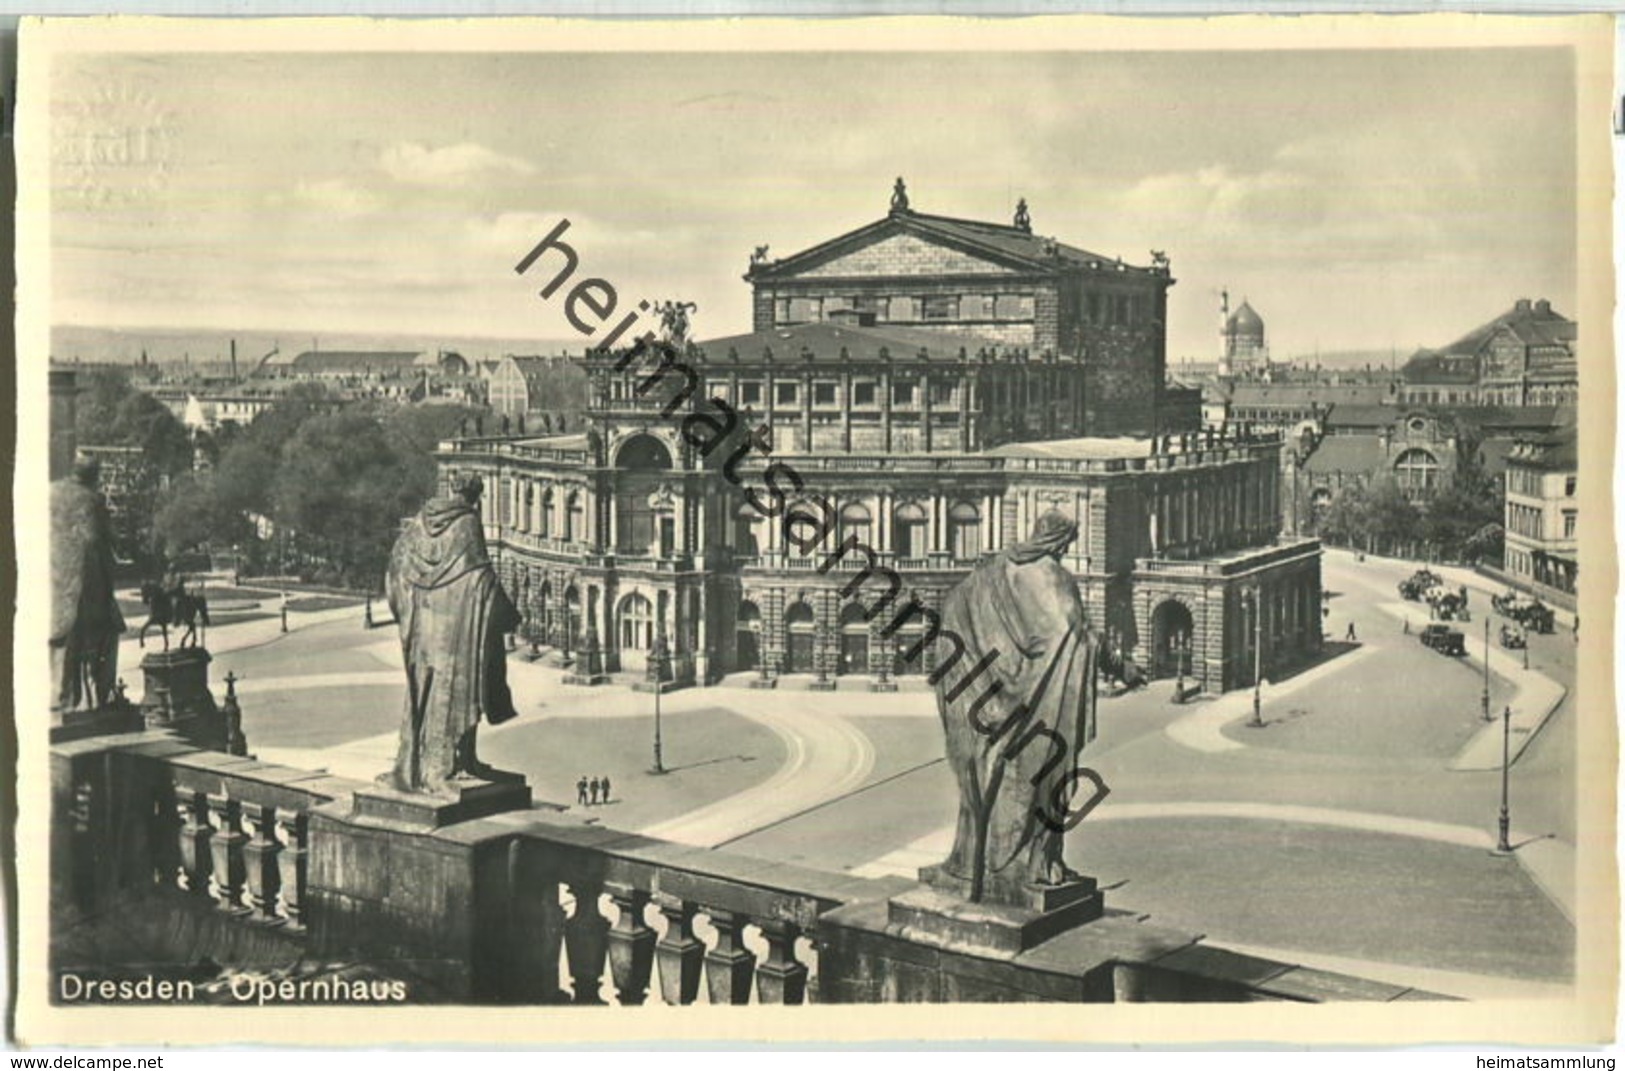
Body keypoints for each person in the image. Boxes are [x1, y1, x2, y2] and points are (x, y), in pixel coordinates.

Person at [928, 509, 1100, 905]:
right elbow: (1074, 634)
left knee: (986, 778)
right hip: (1044, 703)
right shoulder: (1054, 578)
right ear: (1060, 541)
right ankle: (1034, 864)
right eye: (1068, 541)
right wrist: (1113, 662)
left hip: (992, 699)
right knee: (1047, 778)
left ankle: (977, 862)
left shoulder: (992, 572)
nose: (1069, 548)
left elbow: (957, 610)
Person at [382, 474, 522, 794]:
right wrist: (507, 612)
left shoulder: (421, 520)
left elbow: (395, 567)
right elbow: (480, 574)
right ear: (475, 497)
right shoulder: (468, 523)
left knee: (426, 697)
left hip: (423, 628)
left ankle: (440, 763)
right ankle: (448, 768)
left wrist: (406, 611)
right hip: (459, 631)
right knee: (464, 691)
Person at [50, 458, 125, 713]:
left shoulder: (51, 492)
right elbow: (101, 542)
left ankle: (63, 695)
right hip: (82, 585)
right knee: (111, 629)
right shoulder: (92, 500)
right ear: (93, 475)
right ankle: (99, 695)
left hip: (52, 581)